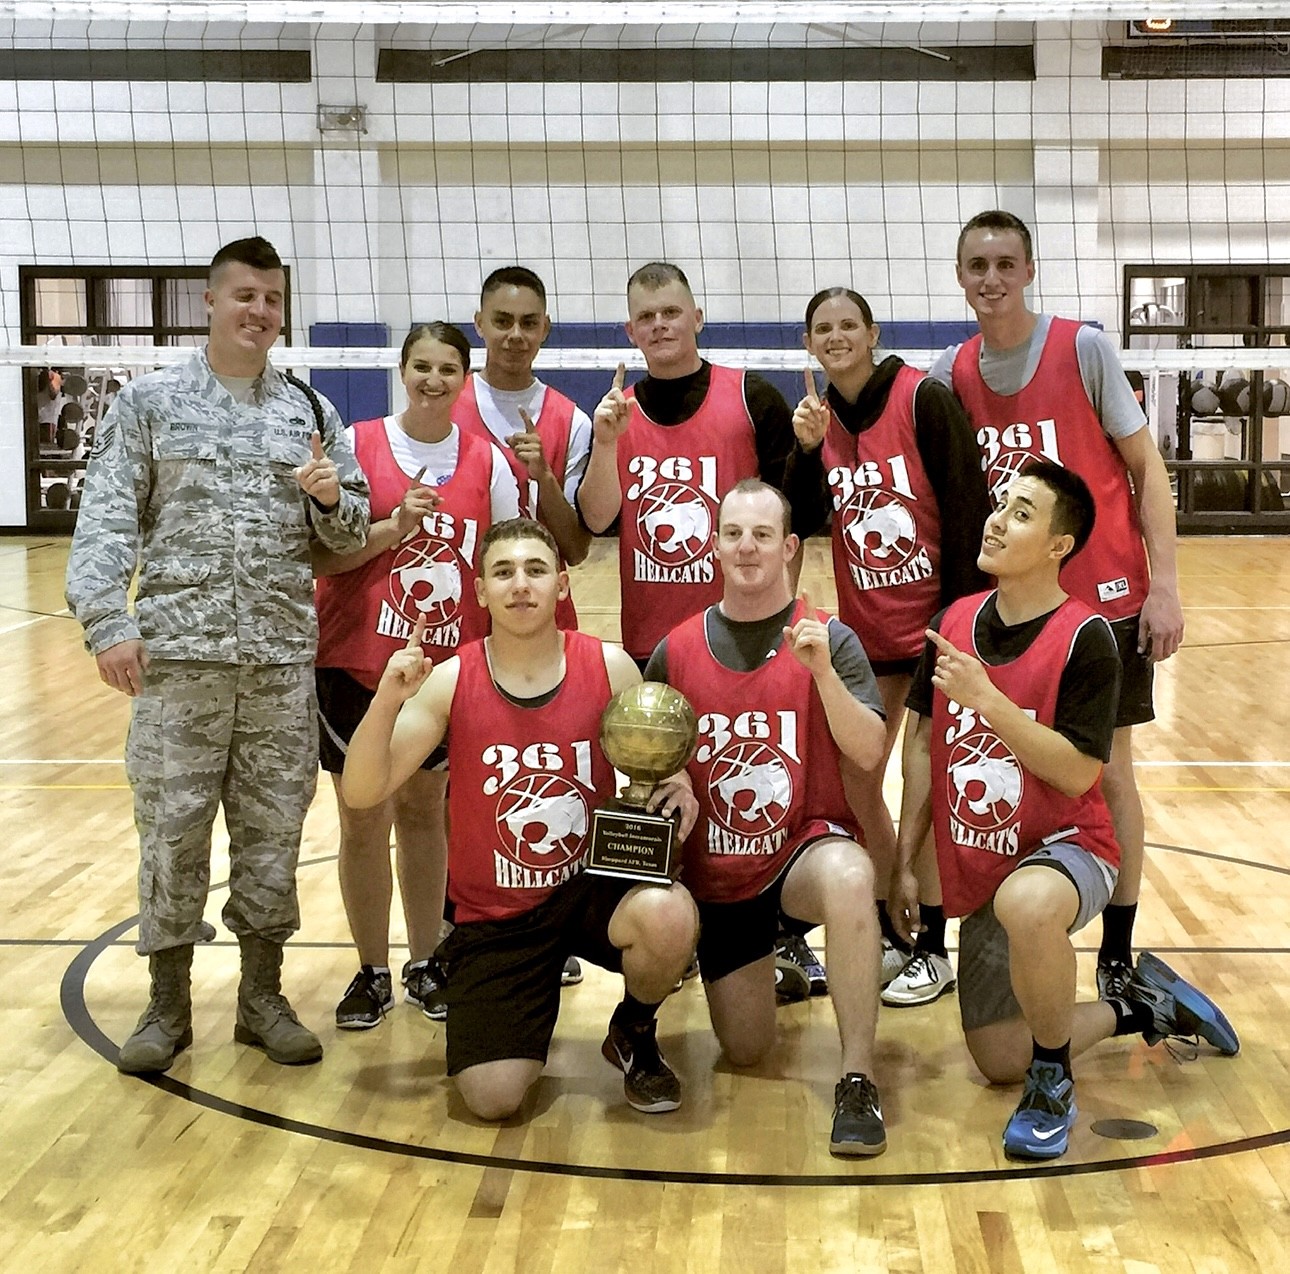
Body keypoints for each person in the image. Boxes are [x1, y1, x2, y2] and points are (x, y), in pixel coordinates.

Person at [65, 236, 370, 1074]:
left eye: (272, 299)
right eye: (244, 295)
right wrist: (106, 622)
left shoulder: (307, 412)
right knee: (172, 834)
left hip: (277, 665)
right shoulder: (150, 404)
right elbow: (105, 522)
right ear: (210, 300)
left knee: (272, 834)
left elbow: (351, 533)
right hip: (176, 666)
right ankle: (166, 1007)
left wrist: (333, 496)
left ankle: (261, 999)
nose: (259, 312)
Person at [889, 461, 1237, 1161]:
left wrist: (988, 700)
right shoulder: (953, 621)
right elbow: (924, 753)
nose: (997, 520)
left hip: (1073, 850)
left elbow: (1080, 771)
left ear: (1059, 545)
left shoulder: (1088, 639)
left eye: (1022, 513)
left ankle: (1053, 1082)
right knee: (996, 1056)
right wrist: (904, 865)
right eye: (1001, 506)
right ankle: (1139, 1007)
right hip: (984, 863)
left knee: (1028, 903)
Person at [341, 518, 700, 1120]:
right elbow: (362, 790)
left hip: (593, 886)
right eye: (503, 573)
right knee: (493, 1099)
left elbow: (655, 762)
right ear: (479, 590)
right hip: (497, 915)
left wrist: (680, 783)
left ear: (562, 585)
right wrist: (386, 699)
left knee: (668, 914)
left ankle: (633, 1031)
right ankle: (503, 1006)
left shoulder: (610, 668)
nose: (521, 586)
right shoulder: (452, 678)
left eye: (536, 571)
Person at [931, 210, 1186, 1000]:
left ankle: (1117, 948)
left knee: (1108, 774)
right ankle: (1012, 928)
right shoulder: (950, 372)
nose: (991, 278)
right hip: (1014, 613)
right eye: (977, 264)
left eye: (1006, 262)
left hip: (1103, 604)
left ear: (1030, 270)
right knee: (1008, 762)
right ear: (960, 274)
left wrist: (1166, 586)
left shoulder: (1084, 348)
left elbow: (1147, 470)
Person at [644, 479, 891, 1156]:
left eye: (761, 535)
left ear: (787, 548)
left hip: (801, 852)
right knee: (748, 1051)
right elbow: (652, 765)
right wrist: (670, 783)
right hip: (720, 872)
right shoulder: (676, 649)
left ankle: (857, 1077)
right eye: (732, 534)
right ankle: (775, 962)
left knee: (849, 875)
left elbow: (869, 753)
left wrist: (823, 676)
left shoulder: (829, 639)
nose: (746, 547)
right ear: (714, 546)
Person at [312, 322, 521, 1030]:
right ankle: (370, 970)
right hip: (356, 664)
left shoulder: (488, 462)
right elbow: (325, 558)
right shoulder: (357, 446)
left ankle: (426, 960)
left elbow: (508, 561)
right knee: (361, 818)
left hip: (441, 674)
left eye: (448, 369)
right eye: (422, 366)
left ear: (467, 379)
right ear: (402, 370)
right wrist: (395, 527)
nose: (434, 380)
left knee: (427, 813)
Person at [791, 287, 992, 1005]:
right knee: (854, 781)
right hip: (868, 631)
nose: (837, 336)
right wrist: (804, 451)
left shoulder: (921, 400)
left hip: (938, 625)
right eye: (823, 328)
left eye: (849, 324)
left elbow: (970, 510)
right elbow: (805, 520)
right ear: (809, 343)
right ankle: (889, 926)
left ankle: (933, 944)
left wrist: (959, 623)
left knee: (928, 785)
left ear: (873, 332)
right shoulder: (822, 422)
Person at [577, 261, 819, 668]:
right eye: (646, 317)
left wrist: (779, 616)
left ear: (697, 318)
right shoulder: (617, 415)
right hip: (648, 642)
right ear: (630, 331)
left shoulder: (752, 398)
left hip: (742, 636)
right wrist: (604, 443)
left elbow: (793, 521)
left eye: (671, 313)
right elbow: (598, 521)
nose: (659, 325)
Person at [453, 265, 593, 638]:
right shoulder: (445, 407)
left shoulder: (572, 421)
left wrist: (545, 477)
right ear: (479, 323)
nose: (515, 335)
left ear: (544, 328)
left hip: (541, 622)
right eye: (503, 321)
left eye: (528, 323)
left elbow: (576, 550)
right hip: (458, 617)